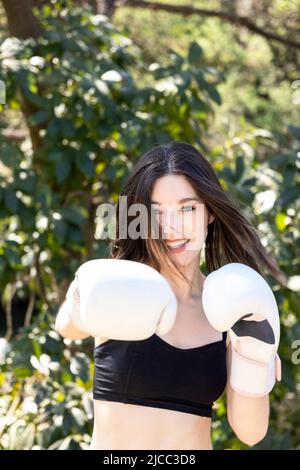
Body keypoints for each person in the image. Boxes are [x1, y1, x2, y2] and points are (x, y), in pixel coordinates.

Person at [55, 141, 283, 450]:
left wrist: (257, 353)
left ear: (210, 213)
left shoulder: (230, 304)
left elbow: (250, 432)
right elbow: (66, 329)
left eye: (187, 208)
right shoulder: (123, 285)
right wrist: (80, 295)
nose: (171, 227)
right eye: (156, 211)